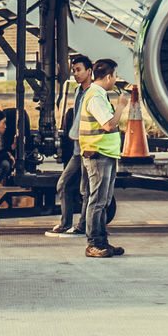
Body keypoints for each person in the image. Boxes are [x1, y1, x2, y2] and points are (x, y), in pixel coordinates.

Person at [78, 58, 126, 258]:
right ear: (108, 77)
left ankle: (102, 240)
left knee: (103, 201)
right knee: (97, 201)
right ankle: (93, 244)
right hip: (98, 155)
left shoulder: (99, 94)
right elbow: (108, 125)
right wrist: (121, 107)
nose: (115, 80)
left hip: (105, 154)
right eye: (114, 76)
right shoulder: (96, 97)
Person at [47, 55, 93, 237]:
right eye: (73, 71)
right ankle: (65, 224)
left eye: (79, 70)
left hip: (88, 149)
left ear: (89, 71)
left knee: (86, 191)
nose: (75, 74)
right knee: (63, 184)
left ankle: (82, 226)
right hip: (76, 150)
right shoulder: (77, 92)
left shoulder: (94, 92)